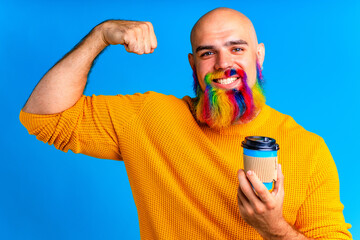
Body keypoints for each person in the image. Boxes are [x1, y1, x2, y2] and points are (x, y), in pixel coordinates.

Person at [20, 7, 352, 240]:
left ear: (259, 56)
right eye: (208, 53)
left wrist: (273, 227)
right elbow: (43, 117)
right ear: (193, 64)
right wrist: (100, 36)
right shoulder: (149, 118)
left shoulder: (308, 149)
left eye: (237, 48)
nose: (224, 64)